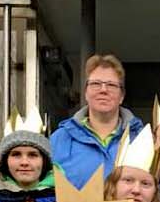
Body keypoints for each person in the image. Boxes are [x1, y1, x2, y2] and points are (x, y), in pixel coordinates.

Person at [49, 53, 144, 191]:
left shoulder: (140, 139)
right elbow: (45, 190)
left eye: (111, 85)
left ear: (122, 96)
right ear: (86, 93)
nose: (103, 90)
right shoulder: (60, 139)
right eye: (96, 84)